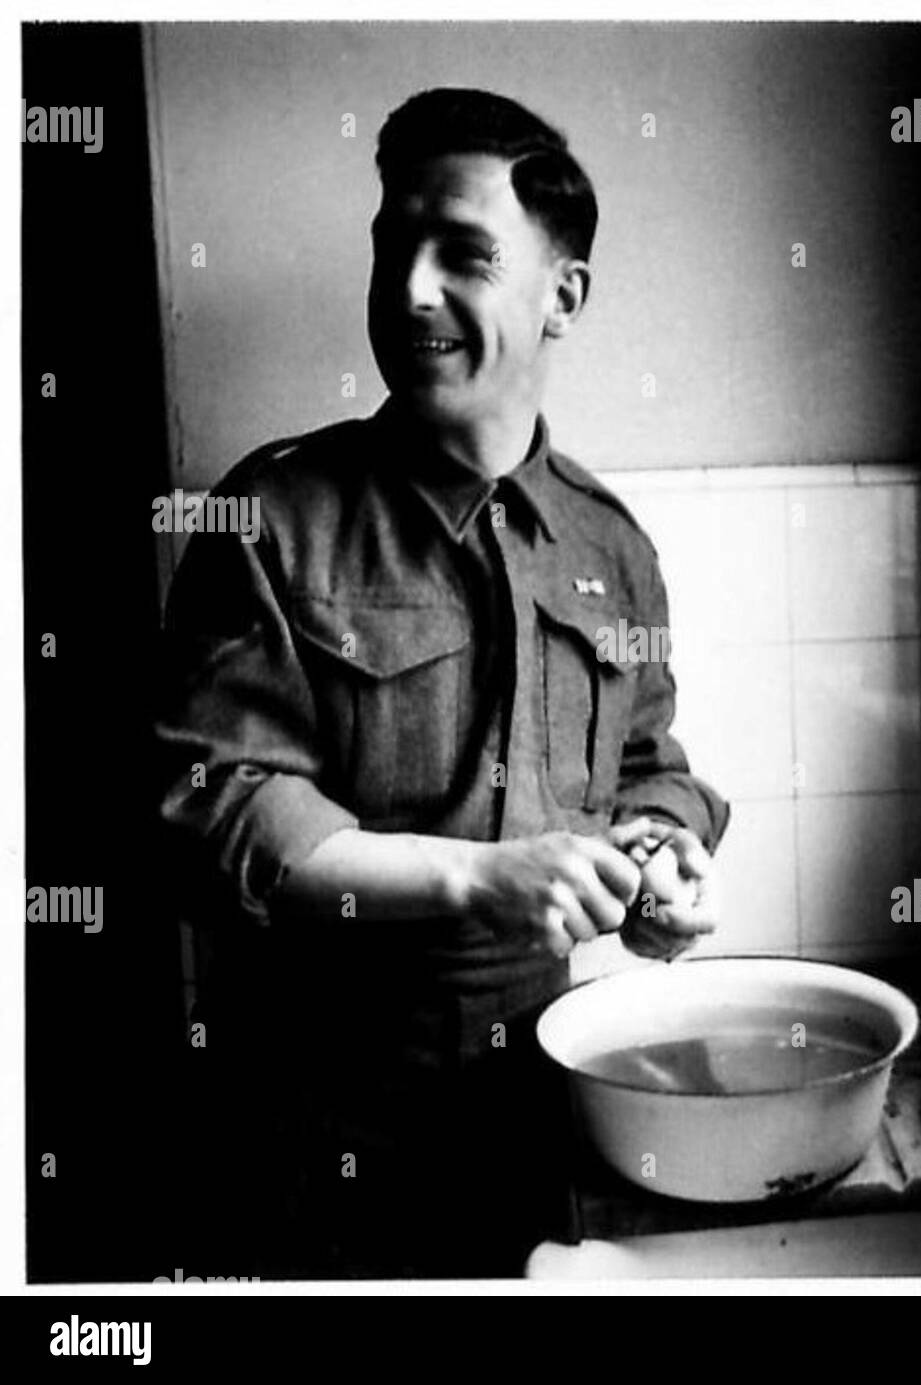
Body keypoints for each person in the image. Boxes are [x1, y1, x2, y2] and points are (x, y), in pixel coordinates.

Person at [154, 88, 728, 1279]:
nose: (408, 289)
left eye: (461, 254)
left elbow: (649, 765)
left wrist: (663, 858)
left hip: (550, 1109)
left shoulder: (611, 548)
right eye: (392, 248)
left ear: (562, 295)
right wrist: (480, 877)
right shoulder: (269, 518)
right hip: (318, 1131)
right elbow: (215, 810)